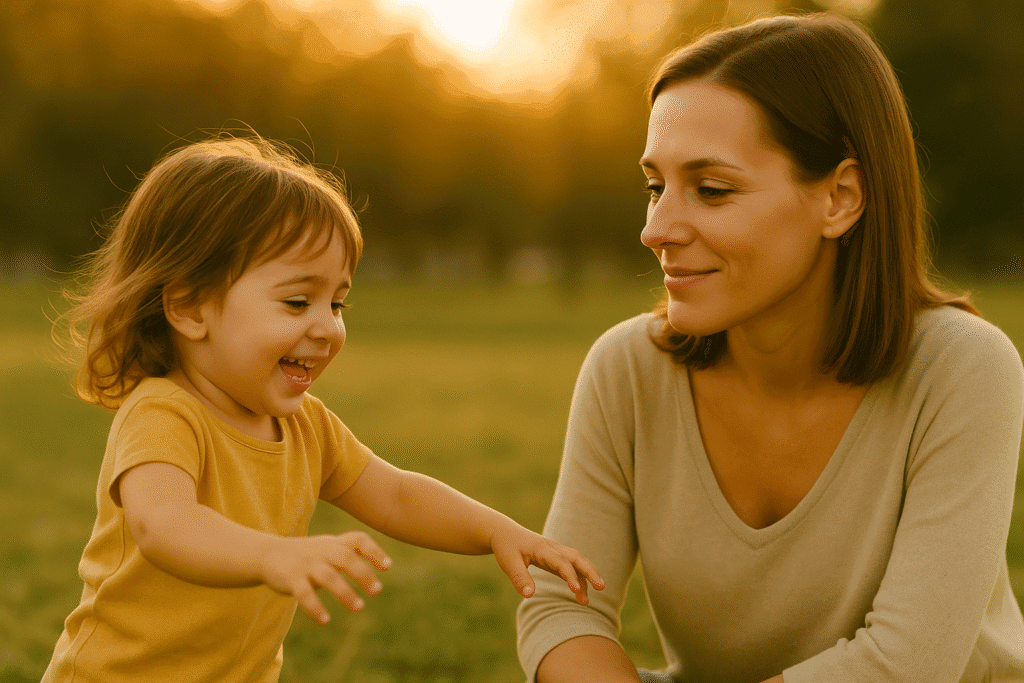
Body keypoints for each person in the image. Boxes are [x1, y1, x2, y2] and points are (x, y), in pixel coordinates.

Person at [517, 12, 1024, 683]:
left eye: (712, 189)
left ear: (840, 197)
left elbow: (907, 664)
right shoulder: (626, 369)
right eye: (654, 187)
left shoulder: (964, 368)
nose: (657, 228)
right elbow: (563, 607)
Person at [43, 135, 604, 683]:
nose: (327, 327)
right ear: (190, 307)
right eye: (297, 301)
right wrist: (273, 556)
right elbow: (164, 524)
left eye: (337, 302)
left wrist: (497, 531)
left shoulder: (304, 425)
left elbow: (396, 495)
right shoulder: (164, 414)